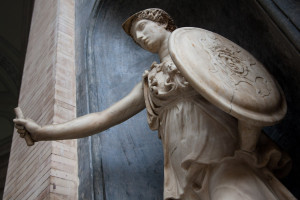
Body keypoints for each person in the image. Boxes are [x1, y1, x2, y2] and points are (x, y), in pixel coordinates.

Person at [14, 8, 295, 200]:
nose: (140, 37)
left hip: (225, 155)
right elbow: (103, 117)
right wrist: (43, 132)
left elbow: (246, 91)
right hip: (182, 169)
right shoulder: (151, 80)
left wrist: (246, 150)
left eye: (143, 28)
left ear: (163, 23)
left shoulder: (200, 50)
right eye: (136, 37)